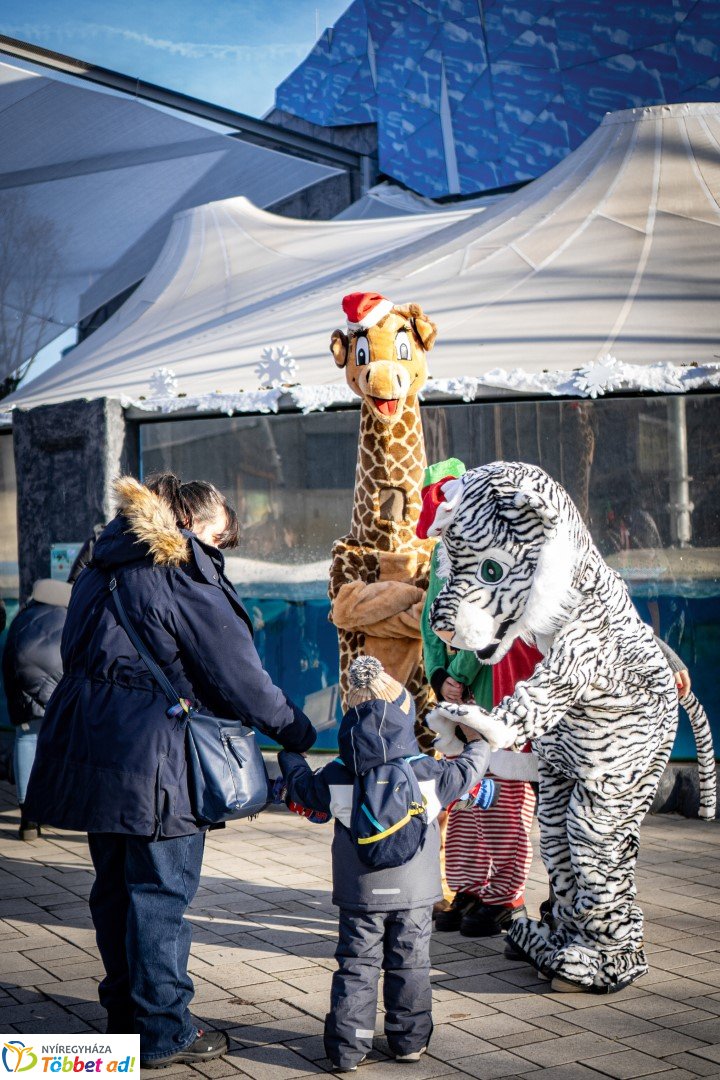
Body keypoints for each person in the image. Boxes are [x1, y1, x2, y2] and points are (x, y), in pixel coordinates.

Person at [24, 473, 316, 1067]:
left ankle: (124, 1019)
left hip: (94, 747)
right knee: (158, 894)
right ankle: (163, 1031)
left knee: (113, 891)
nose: (216, 549)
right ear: (195, 524)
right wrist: (296, 730)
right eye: (215, 536)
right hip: (154, 758)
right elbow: (240, 676)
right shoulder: (180, 572)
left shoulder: (99, 565)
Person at [277, 655, 492, 1073]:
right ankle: (408, 1041)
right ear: (404, 714)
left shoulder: (339, 775)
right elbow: (469, 770)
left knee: (356, 966)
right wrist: (477, 738)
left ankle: (346, 1050)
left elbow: (301, 789)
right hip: (414, 894)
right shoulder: (427, 771)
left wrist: (291, 756)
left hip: (360, 894)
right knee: (411, 965)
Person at [420, 459, 541, 937]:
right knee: (466, 796)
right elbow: (434, 618)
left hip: (500, 690)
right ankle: (469, 885)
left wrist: (459, 670)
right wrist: (438, 674)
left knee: (506, 796)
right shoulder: (440, 554)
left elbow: (487, 620)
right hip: (461, 694)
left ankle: (505, 895)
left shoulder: (495, 545)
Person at [2, 578, 71, 840]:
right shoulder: (68, 612)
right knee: (64, 739)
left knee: (27, 736)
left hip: (23, 670)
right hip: (57, 670)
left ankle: (28, 819)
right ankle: (59, 806)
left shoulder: (22, 616)